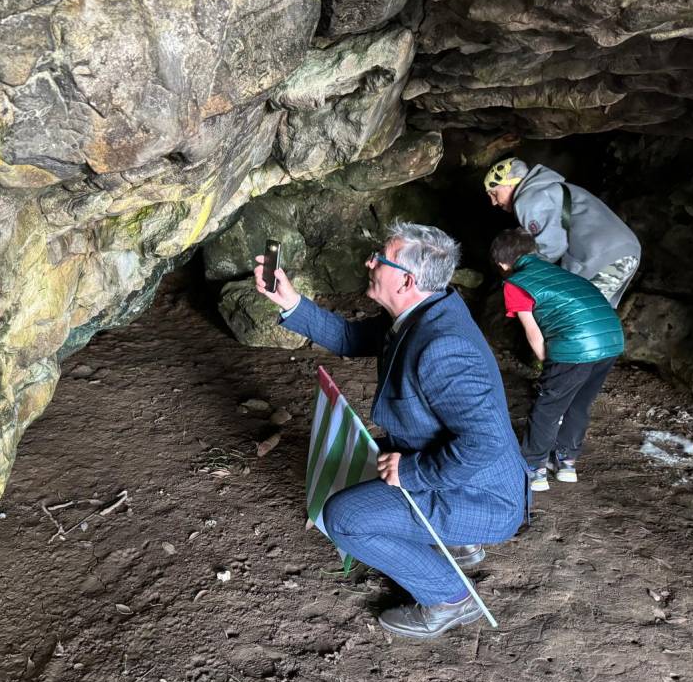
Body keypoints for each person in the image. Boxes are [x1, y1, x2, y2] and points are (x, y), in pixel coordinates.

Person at [253, 221, 528, 640]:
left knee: (344, 518)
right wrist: (290, 302)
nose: (369, 262)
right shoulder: (423, 312)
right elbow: (348, 337)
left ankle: (450, 598)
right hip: (455, 470)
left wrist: (413, 473)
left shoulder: (443, 348)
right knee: (355, 457)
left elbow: (484, 443)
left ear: (406, 279)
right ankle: (459, 543)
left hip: (482, 496)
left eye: (377, 259)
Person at [490, 228, 624, 492]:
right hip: (611, 339)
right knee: (579, 403)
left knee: (547, 407)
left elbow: (533, 332)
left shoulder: (516, 283)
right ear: (531, 252)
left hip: (577, 346)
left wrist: (546, 367)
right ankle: (566, 463)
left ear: (502, 264)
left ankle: (534, 468)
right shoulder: (562, 274)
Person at [483, 157, 641, 307]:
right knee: (595, 316)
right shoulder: (549, 189)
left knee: (571, 315)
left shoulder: (529, 199)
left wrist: (524, 275)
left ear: (510, 183)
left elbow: (552, 247)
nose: (493, 202)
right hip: (624, 251)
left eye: (494, 193)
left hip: (601, 256)